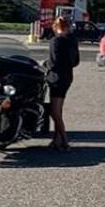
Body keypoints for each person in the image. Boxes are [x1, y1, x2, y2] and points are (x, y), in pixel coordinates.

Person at [45, 15, 80, 150]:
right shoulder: (73, 41)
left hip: (56, 78)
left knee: (54, 112)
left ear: (55, 27)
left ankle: (64, 140)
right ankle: (57, 139)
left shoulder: (55, 41)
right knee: (58, 110)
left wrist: (45, 65)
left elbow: (53, 62)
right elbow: (76, 62)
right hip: (67, 77)